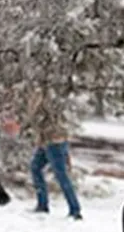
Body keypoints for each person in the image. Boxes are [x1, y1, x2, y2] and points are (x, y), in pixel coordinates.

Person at [22, 86, 82, 220]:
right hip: (46, 142)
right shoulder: (38, 100)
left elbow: (46, 122)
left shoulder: (45, 101)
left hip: (54, 142)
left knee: (61, 176)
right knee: (35, 168)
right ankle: (42, 205)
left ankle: (75, 210)